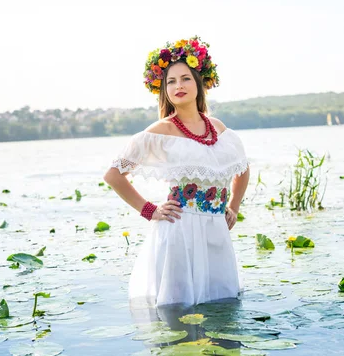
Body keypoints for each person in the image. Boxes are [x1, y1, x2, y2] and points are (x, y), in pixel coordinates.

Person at [103, 36, 250, 307]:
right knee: (179, 310)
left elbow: (242, 168)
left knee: (222, 307)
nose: (178, 86)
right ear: (164, 90)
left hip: (216, 229)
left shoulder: (217, 127)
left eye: (185, 79)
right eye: (171, 81)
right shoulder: (161, 131)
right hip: (179, 230)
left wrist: (234, 206)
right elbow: (113, 175)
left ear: (199, 83)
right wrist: (150, 210)